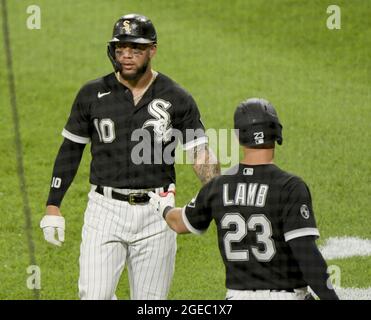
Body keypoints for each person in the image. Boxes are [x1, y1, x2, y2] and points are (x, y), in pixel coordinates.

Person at [39, 13, 219, 300]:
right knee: (94, 296)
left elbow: (199, 153)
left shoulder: (177, 97)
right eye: (121, 49)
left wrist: (215, 193)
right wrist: (53, 205)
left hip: (158, 212)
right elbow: (71, 150)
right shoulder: (91, 93)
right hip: (104, 210)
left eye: (135, 49)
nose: (126, 56)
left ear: (152, 50)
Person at [149, 98, 339, 300]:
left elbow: (179, 223)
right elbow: (308, 258)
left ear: (239, 138)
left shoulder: (218, 186)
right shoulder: (289, 187)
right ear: (276, 132)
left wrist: (164, 207)